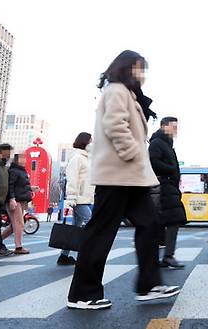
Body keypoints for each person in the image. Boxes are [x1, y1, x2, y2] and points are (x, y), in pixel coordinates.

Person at [67, 50, 179, 310]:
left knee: (150, 225)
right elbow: (115, 125)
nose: (143, 75)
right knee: (101, 233)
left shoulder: (127, 93)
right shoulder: (116, 90)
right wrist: (133, 154)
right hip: (116, 174)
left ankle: (149, 285)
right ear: (128, 68)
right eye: (140, 69)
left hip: (130, 176)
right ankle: (82, 294)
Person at [149, 117, 188, 269]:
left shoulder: (166, 144)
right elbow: (153, 161)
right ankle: (167, 256)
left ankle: (162, 257)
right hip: (163, 186)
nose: (176, 130)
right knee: (172, 221)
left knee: (163, 222)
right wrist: (171, 169)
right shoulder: (158, 143)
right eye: (174, 127)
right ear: (164, 127)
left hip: (169, 186)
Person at [57, 132, 94, 266]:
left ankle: (64, 256)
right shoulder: (77, 158)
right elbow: (72, 179)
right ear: (85, 142)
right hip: (78, 199)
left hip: (84, 198)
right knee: (91, 223)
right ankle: (86, 256)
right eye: (91, 140)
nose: (92, 143)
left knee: (76, 228)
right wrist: (71, 197)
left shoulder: (86, 158)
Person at [2, 153, 37, 255]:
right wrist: (12, 199)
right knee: (19, 224)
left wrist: (31, 188)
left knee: (14, 226)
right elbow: (10, 186)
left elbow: (21, 186)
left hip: (20, 200)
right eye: (22, 158)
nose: (25, 160)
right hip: (15, 201)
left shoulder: (21, 171)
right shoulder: (13, 171)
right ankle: (18, 247)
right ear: (16, 160)